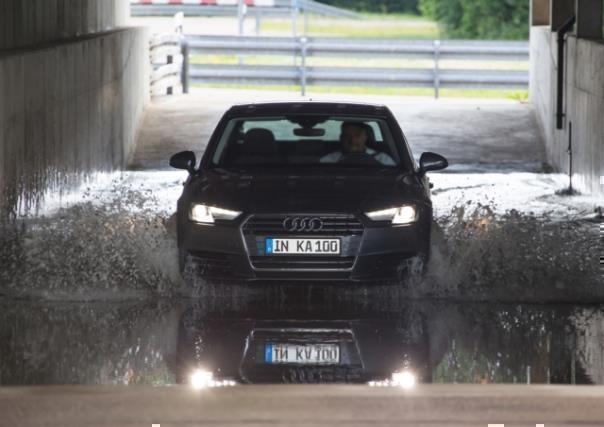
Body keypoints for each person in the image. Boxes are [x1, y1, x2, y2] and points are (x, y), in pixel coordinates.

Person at [320, 121, 396, 166]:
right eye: (347, 136)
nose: (352, 140)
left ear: (365, 137)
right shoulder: (328, 160)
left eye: (357, 135)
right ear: (341, 138)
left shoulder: (383, 159)